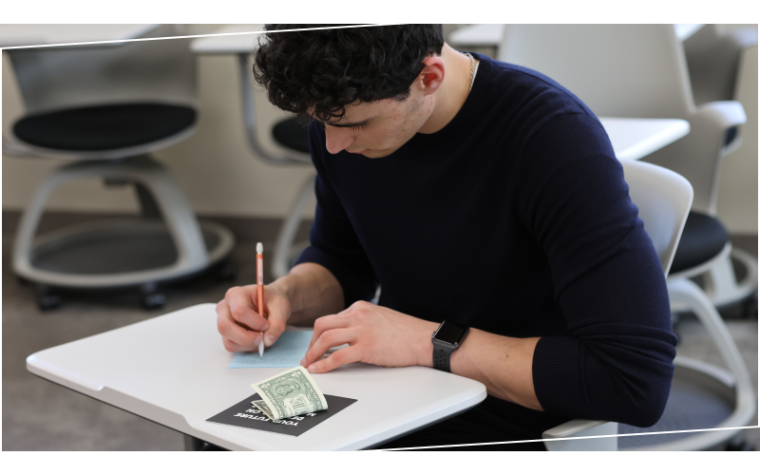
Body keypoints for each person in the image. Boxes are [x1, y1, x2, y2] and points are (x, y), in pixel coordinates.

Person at [216, 23, 677, 451]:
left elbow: (632, 378)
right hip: (398, 385)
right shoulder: (342, 119)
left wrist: (427, 341)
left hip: (506, 410)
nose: (334, 144)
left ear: (429, 77)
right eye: (319, 122)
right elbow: (343, 260)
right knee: (224, 438)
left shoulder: (550, 138)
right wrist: (283, 297)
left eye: (354, 125)